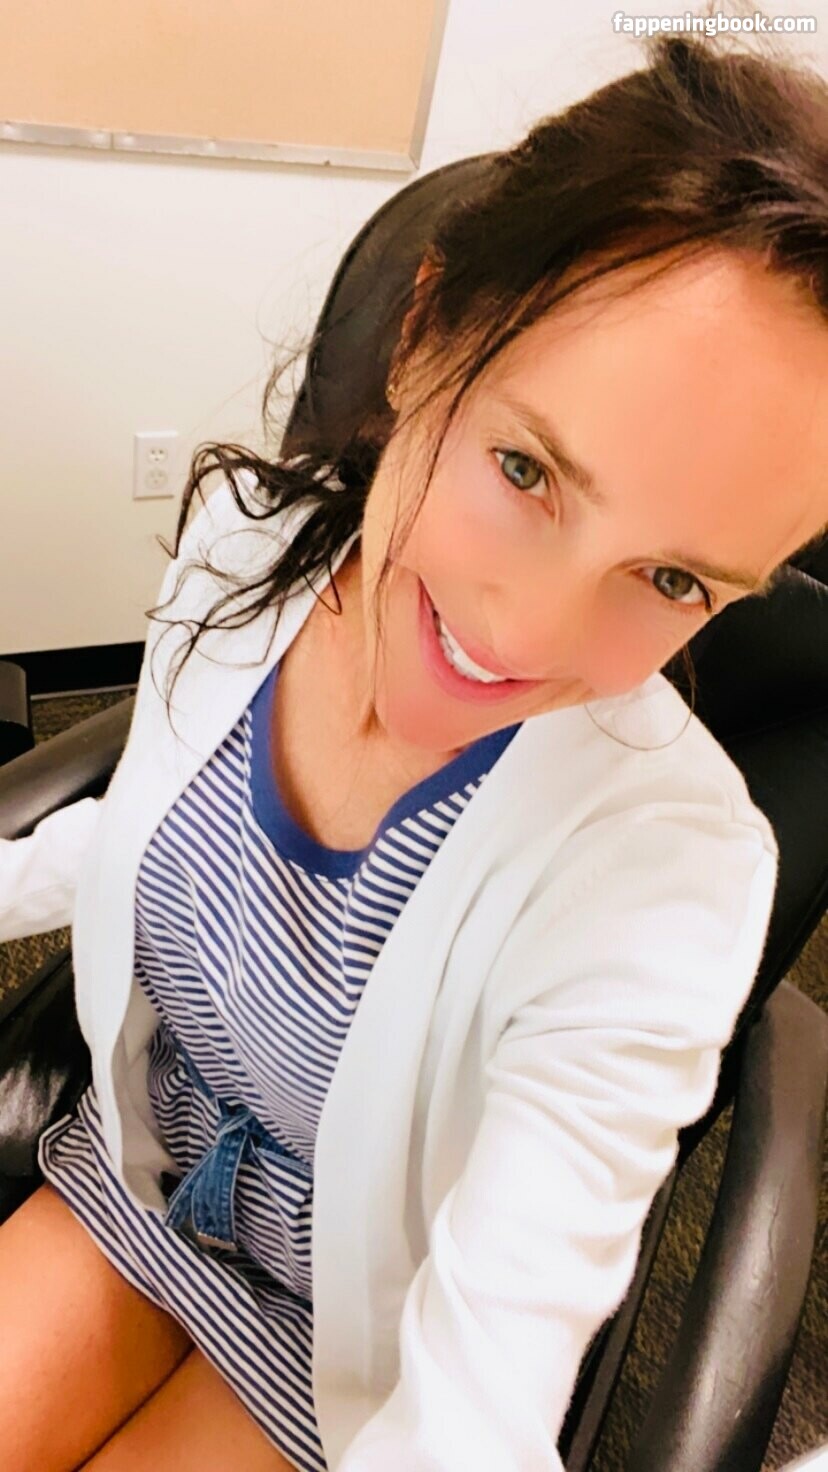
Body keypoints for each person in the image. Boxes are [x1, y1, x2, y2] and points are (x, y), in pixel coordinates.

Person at [1, 29, 827, 1472]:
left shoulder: (668, 875)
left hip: (355, 1335)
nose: (527, 632)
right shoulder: (248, 552)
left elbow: (485, 1380)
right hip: (145, 1174)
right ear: (426, 330)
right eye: (527, 469)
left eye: (674, 579)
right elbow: (152, 821)